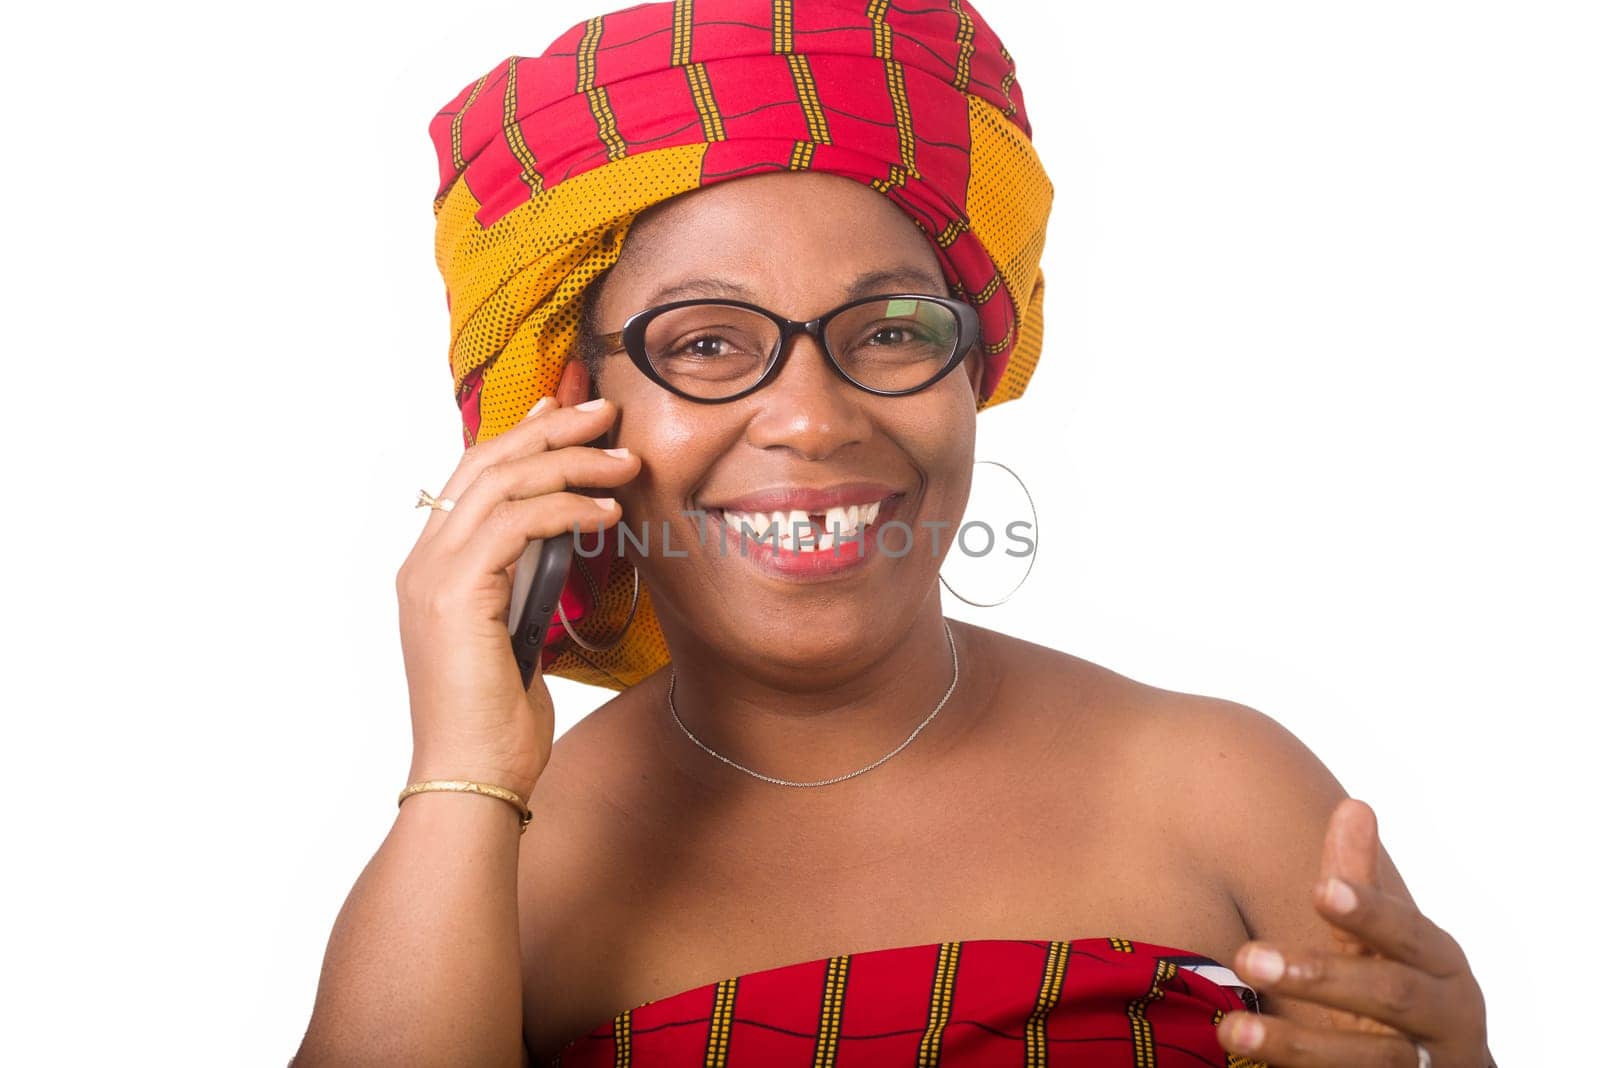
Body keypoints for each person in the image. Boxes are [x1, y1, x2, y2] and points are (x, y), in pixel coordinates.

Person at [293, 2, 1493, 1065]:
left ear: (971, 369)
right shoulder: (499, 870)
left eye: (890, 331)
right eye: (706, 343)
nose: (812, 421)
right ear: (571, 413)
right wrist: (463, 772)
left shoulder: (1216, 787)